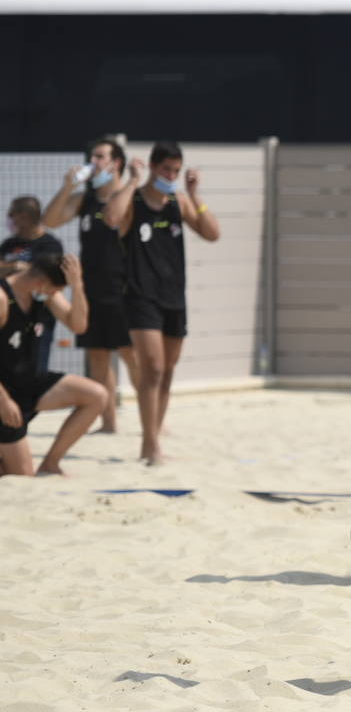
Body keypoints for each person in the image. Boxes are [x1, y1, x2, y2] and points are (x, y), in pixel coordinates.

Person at [105, 141, 220, 465]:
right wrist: (132, 180)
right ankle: (150, 442)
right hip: (141, 296)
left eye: (176, 170)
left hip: (173, 296)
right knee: (152, 368)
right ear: (154, 167)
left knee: (167, 371)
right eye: (167, 169)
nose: (171, 175)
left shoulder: (178, 201)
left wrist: (194, 195)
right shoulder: (134, 201)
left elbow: (212, 233)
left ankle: (154, 433)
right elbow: (111, 217)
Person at [42, 138, 144, 433]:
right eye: (92, 156)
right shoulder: (85, 200)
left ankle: (152, 419)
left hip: (124, 288)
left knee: (130, 354)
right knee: (98, 356)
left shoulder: (130, 197)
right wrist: (67, 186)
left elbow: (120, 216)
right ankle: (108, 423)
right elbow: (50, 220)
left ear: (116, 163)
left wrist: (131, 182)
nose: (93, 161)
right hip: (92, 289)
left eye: (100, 156)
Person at [0, 254, 109, 476]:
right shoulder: (3, 298)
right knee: (21, 476)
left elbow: (78, 325)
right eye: (55, 290)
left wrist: (77, 286)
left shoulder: (43, 296)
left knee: (97, 395)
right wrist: (3, 400)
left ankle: (51, 463)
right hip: (3, 393)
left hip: (29, 384)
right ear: (41, 283)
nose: (56, 295)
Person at [0, 196, 65, 374]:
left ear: (24, 215)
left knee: (35, 369)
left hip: (40, 316)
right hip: (11, 313)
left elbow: (44, 276)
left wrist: (16, 270)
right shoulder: (9, 244)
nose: (9, 218)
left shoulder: (50, 245)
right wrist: (14, 266)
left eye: (12, 214)